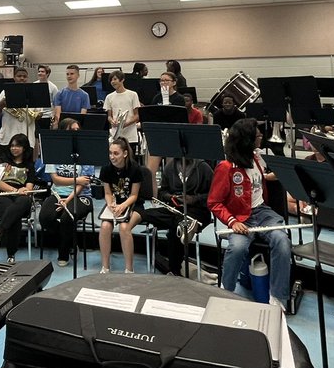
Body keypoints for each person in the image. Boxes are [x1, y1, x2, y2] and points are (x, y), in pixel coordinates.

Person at [209, 118, 292, 304]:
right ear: (248, 139)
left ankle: (277, 299)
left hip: (263, 213)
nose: (261, 136)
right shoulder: (226, 167)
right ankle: (225, 293)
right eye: (258, 134)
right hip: (239, 217)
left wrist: (283, 173)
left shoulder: (256, 158)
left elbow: (257, 182)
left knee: (282, 241)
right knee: (237, 248)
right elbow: (214, 202)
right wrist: (232, 222)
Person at [142, 154, 213, 276]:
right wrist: (171, 197)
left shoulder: (204, 168)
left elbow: (213, 195)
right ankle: (185, 226)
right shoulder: (170, 167)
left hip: (198, 211)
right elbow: (163, 192)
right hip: (174, 209)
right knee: (146, 214)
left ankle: (174, 271)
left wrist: (194, 199)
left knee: (175, 230)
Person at [39, 118, 95, 267]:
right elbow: (56, 180)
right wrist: (77, 179)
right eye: (72, 130)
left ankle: (63, 253)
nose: (75, 133)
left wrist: (68, 200)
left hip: (81, 196)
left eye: (78, 130)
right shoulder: (54, 151)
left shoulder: (86, 152)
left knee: (66, 218)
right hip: (58, 193)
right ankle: (71, 241)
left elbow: (84, 184)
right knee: (45, 217)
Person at [0, 133, 38, 264]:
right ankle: (11, 255)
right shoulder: (2, 161)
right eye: (12, 146)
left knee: (24, 201)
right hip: (0, 196)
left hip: (21, 198)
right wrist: (15, 190)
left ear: (24, 148)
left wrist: (23, 191)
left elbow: (29, 188)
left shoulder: (29, 165)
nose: (14, 148)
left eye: (18, 146)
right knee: (15, 215)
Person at [97, 137, 149, 274]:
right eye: (110, 153)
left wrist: (123, 206)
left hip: (134, 205)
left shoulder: (135, 169)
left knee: (124, 227)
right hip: (115, 205)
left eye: (116, 153)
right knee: (105, 226)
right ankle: (105, 267)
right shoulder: (106, 169)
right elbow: (107, 193)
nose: (112, 157)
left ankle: (129, 269)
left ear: (125, 154)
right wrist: (111, 205)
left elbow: (134, 196)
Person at [104, 71, 141, 153]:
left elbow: (137, 115)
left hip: (130, 136)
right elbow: (109, 116)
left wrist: (124, 124)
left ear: (122, 80)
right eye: (111, 80)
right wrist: (112, 121)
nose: (112, 82)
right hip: (116, 135)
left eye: (115, 79)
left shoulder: (133, 94)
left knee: (130, 160)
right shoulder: (109, 97)